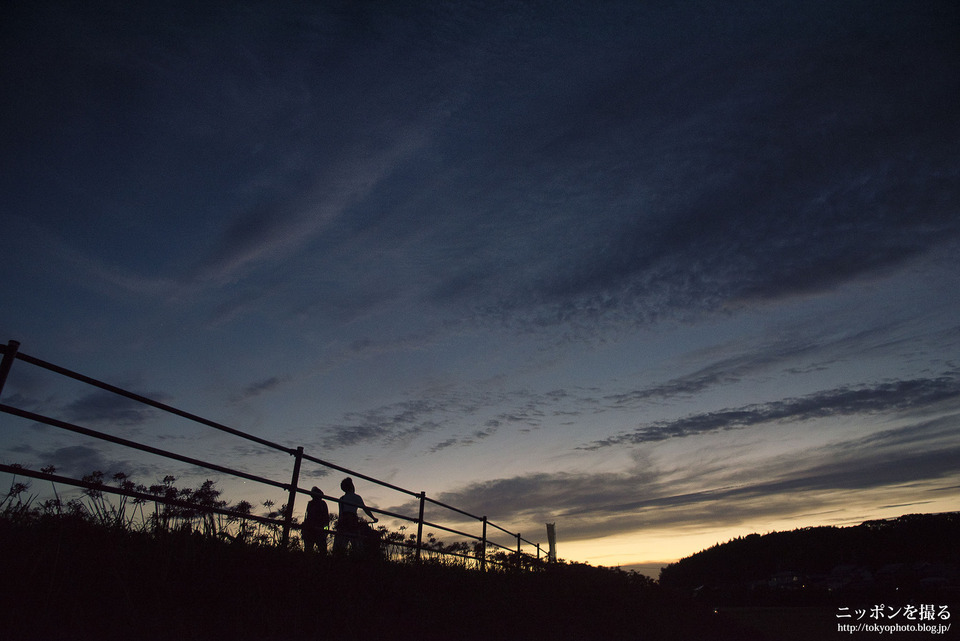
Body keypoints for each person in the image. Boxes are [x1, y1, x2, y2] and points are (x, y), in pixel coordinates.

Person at [333, 477, 378, 554]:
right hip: (353, 522)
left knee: (340, 546)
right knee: (356, 545)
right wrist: (373, 518)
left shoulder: (342, 498)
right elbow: (365, 509)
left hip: (343, 523)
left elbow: (340, 514)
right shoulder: (356, 497)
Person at [302, 487, 329, 554]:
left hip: (317, 529)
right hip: (312, 529)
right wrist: (326, 530)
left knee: (319, 549)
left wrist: (325, 530)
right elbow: (326, 519)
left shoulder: (321, 504)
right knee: (311, 549)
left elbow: (326, 518)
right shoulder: (311, 504)